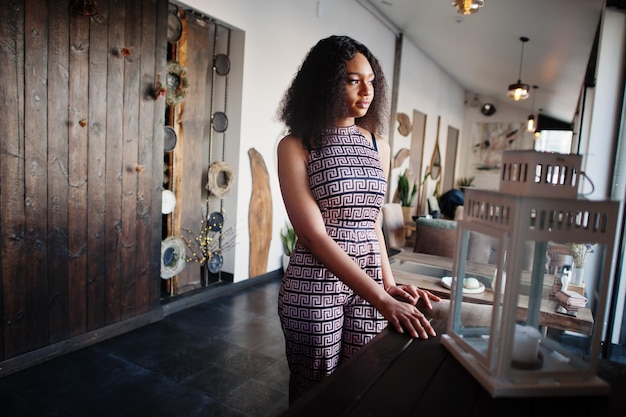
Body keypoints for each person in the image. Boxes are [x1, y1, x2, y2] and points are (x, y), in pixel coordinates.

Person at [276, 35, 441, 403]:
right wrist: (381, 298)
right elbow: (314, 236)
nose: (367, 90)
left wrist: (388, 284)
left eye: (371, 80)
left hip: (369, 284)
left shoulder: (376, 142)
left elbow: (372, 222)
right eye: (353, 80)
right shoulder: (297, 144)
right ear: (326, 82)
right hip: (313, 287)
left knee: (362, 384)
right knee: (315, 392)